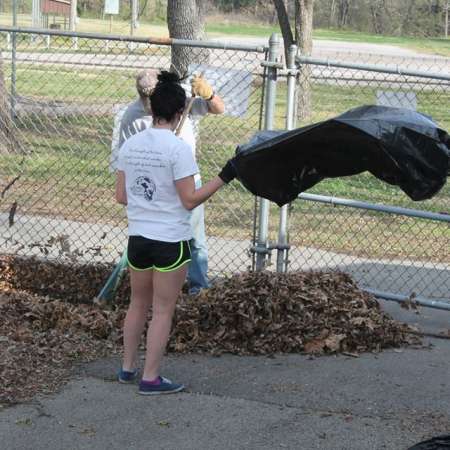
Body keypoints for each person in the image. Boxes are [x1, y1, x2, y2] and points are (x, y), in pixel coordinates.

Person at [115, 71, 236, 394]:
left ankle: (127, 368)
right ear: (181, 111)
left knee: (137, 304)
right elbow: (190, 199)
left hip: (138, 240)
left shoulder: (131, 145)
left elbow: (122, 196)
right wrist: (225, 176)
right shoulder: (178, 149)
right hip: (169, 242)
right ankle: (150, 378)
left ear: (152, 107)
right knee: (163, 310)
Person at [110, 69, 225, 295]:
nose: (149, 104)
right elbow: (125, 163)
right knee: (161, 240)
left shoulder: (179, 102)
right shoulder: (132, 116)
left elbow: (219, 109)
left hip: (186, 180)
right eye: (145, 99)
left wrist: (209, 95)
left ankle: (197, 287)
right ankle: (160, 286)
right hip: (156, 186)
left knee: (195, 240)